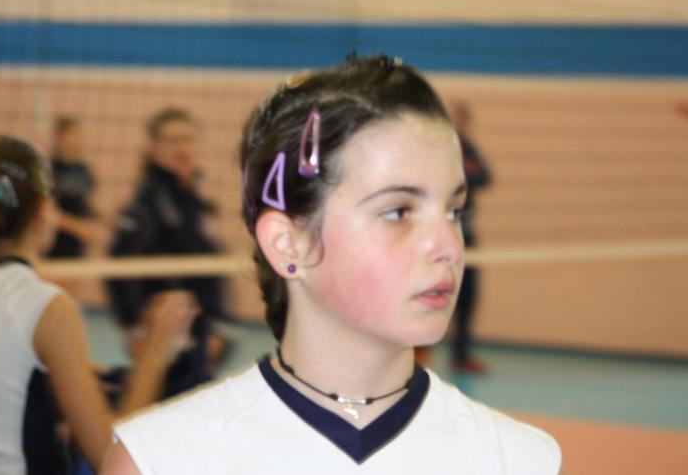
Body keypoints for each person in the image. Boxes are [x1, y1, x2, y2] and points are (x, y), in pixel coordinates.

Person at [102, 55, 561, 474]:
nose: (448, 246)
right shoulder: (162, 459)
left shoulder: (520, 460)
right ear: (289, 244)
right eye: (398, 211)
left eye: (453, 211)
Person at [0, 135, 196, 474]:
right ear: (45, 208)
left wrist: (68, 375)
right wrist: (155, 354)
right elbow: (109, 459)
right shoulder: (43, 305)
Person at [107, 108, 229, 398]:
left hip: (197, 331)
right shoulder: (147, 203)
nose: (181, 148)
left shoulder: (191, 199)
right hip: (167, 336)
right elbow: (118, 268)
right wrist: (133, 328)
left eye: (187, 139)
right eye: (171, 140)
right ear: (153, 148)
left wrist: (218, 325)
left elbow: (206, 265)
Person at [450, 101, 492, 373]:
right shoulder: (441, 147)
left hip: (467, 233)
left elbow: (486, 176)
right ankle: (418, 354)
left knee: (468, 295)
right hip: (444, 230)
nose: (459, 124)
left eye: (462, 119)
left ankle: (461, 354)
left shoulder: (468, 148)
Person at [47, 116, 101, 258]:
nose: (75, 140)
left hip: (76, 246)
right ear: (59, 137)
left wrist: (105, 218)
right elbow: (47, 212)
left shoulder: (83, 170)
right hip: (54, 245)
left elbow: (87, 204)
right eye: (70, 135)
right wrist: (78, 228)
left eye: (78, 135)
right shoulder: (50, 170)